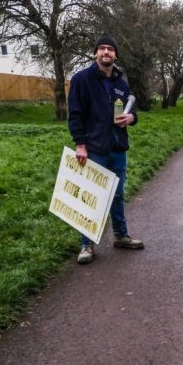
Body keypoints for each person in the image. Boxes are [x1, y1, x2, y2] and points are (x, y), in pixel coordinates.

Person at [67, 33, 143, 264]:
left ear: (115, 55)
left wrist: (131, 118)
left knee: (118, 195)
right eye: (102, 48)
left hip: (117, 148)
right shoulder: (82, 79)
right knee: (91, 196)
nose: (106, 52)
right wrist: (80, 144)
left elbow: (132, 113)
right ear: (95, 53)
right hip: (94, 149)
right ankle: (86, 244)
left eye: (110, 49)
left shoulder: (121, 83)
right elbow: (75, 115)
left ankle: (121, 236)